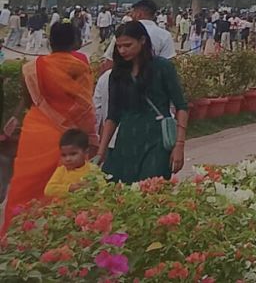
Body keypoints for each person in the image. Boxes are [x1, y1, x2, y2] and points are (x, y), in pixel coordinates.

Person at [1, 22, 96, 230]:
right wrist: (90, 136)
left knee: (25, 184)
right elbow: (85, 106)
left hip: (34, 132)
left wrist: (17, 117)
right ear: (75, 41)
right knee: (61, 186)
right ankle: (52, 235)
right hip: (66, 135)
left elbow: (30, 101)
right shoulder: (79, 67)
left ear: (50, 41)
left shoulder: (32, 68)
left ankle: (15, 233)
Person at [97, 21, 188, 185]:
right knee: (117, 190)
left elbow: (181, 107)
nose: (122, 51)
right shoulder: (117, 74)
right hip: (126, 140)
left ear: (143, 41)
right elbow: (112, 116)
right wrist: (101, 152)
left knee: (150, 189)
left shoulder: (162, 67)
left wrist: (179, 145)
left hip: (157, 140)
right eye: (119, 46)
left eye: (128, 45)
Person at [43, 128, 102, 198]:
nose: (68, 159)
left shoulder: (92, 169)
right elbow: (48, 190)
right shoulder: (61, 170)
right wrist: (70, 188)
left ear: (86, 152)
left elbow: (103, 188)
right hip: (63, 204)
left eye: (73, 154)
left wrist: (92, 187)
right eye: (64, 155)